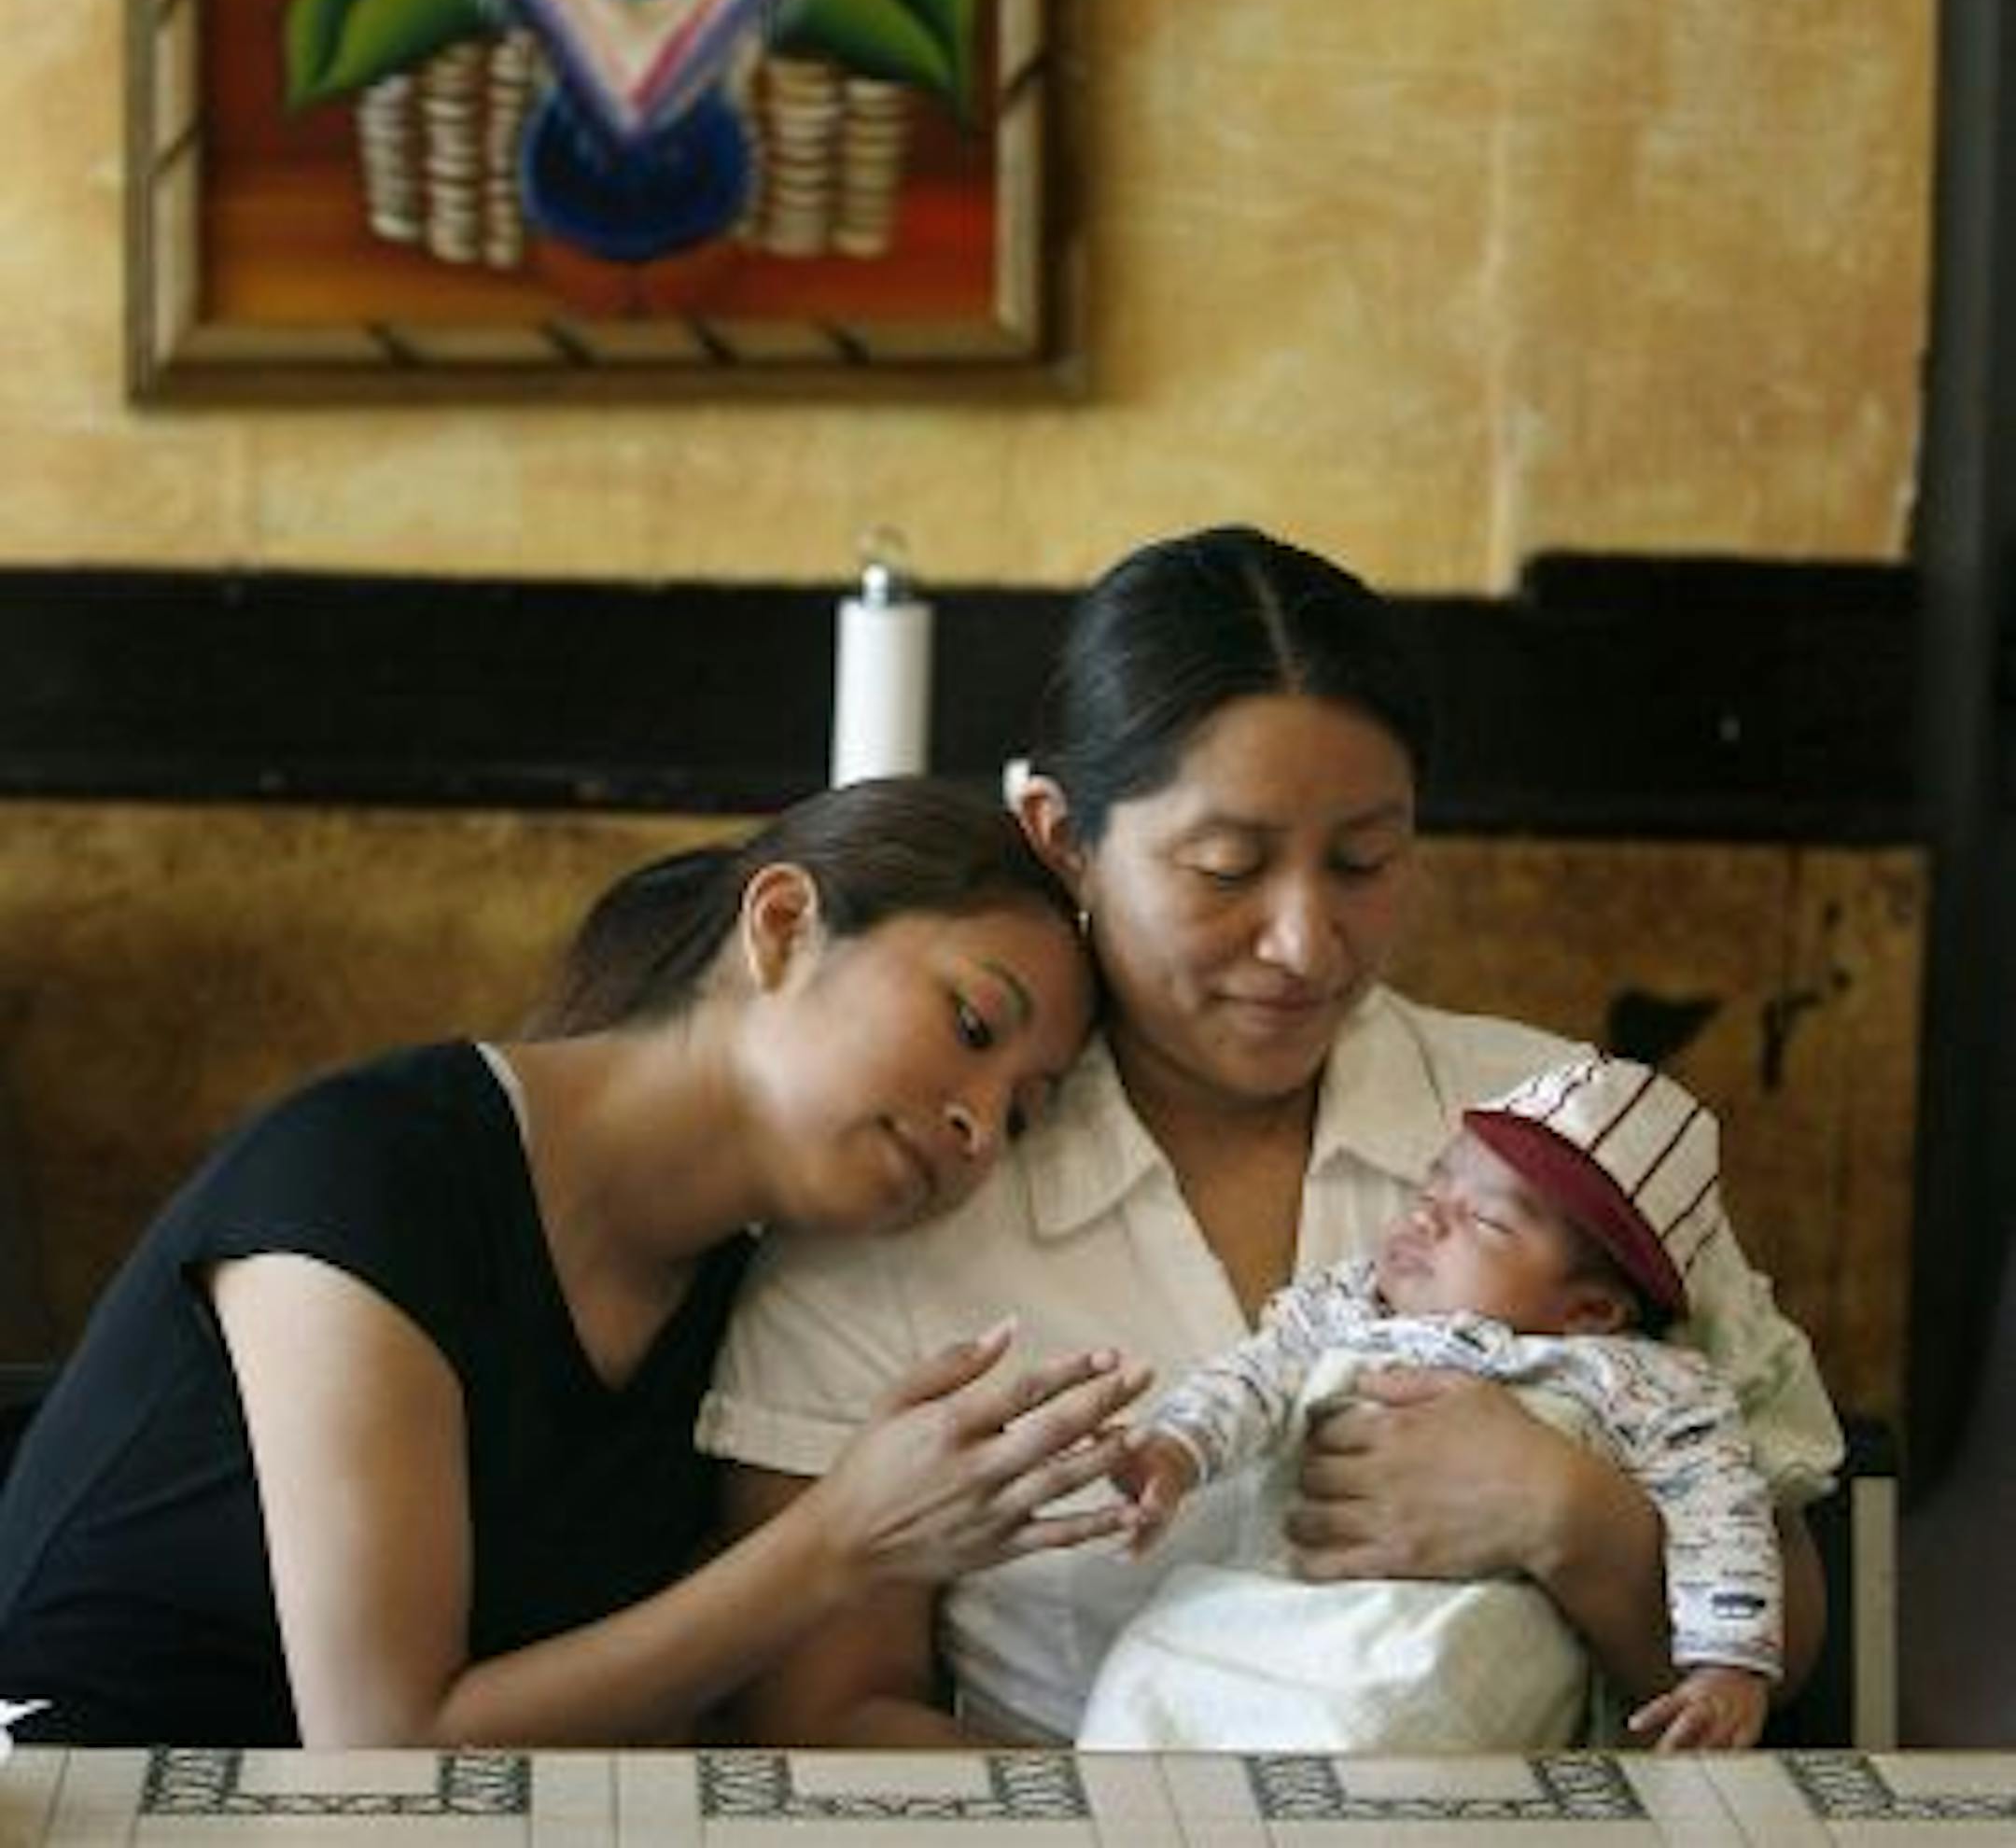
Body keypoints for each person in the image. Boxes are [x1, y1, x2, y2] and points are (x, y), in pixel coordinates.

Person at [702, 524, 1843, 1746]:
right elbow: (829, 1719)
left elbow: (1792, 1636)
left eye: (1365, 860)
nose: (1306, 941)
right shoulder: (914, 1188)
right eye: (1225, 865)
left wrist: (1571, 1516)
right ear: (1059, 833)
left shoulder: (1573, 1128)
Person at [0, 780, 1147, 1746]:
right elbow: (386, 1749)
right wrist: (838, 1541)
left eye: (1027, 1116)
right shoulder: (372, 1169)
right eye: (975, 1027)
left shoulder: (744, 1295)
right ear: (785, 925)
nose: (981, 1132)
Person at [1079, 1048, 1778, 1754]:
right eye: (1430, 1192)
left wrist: (1728, 1660)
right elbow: (1254, 1377)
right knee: (1151, 1662)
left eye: (1487, 1222)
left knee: (1388, 1720)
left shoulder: (1643, 1382)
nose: (1428, 1220)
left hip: (1459, 1633)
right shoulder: (1347, 1311)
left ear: (1591, 1309)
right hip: (1284, 1600)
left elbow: (1722, 1513)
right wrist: (1175, 1450)